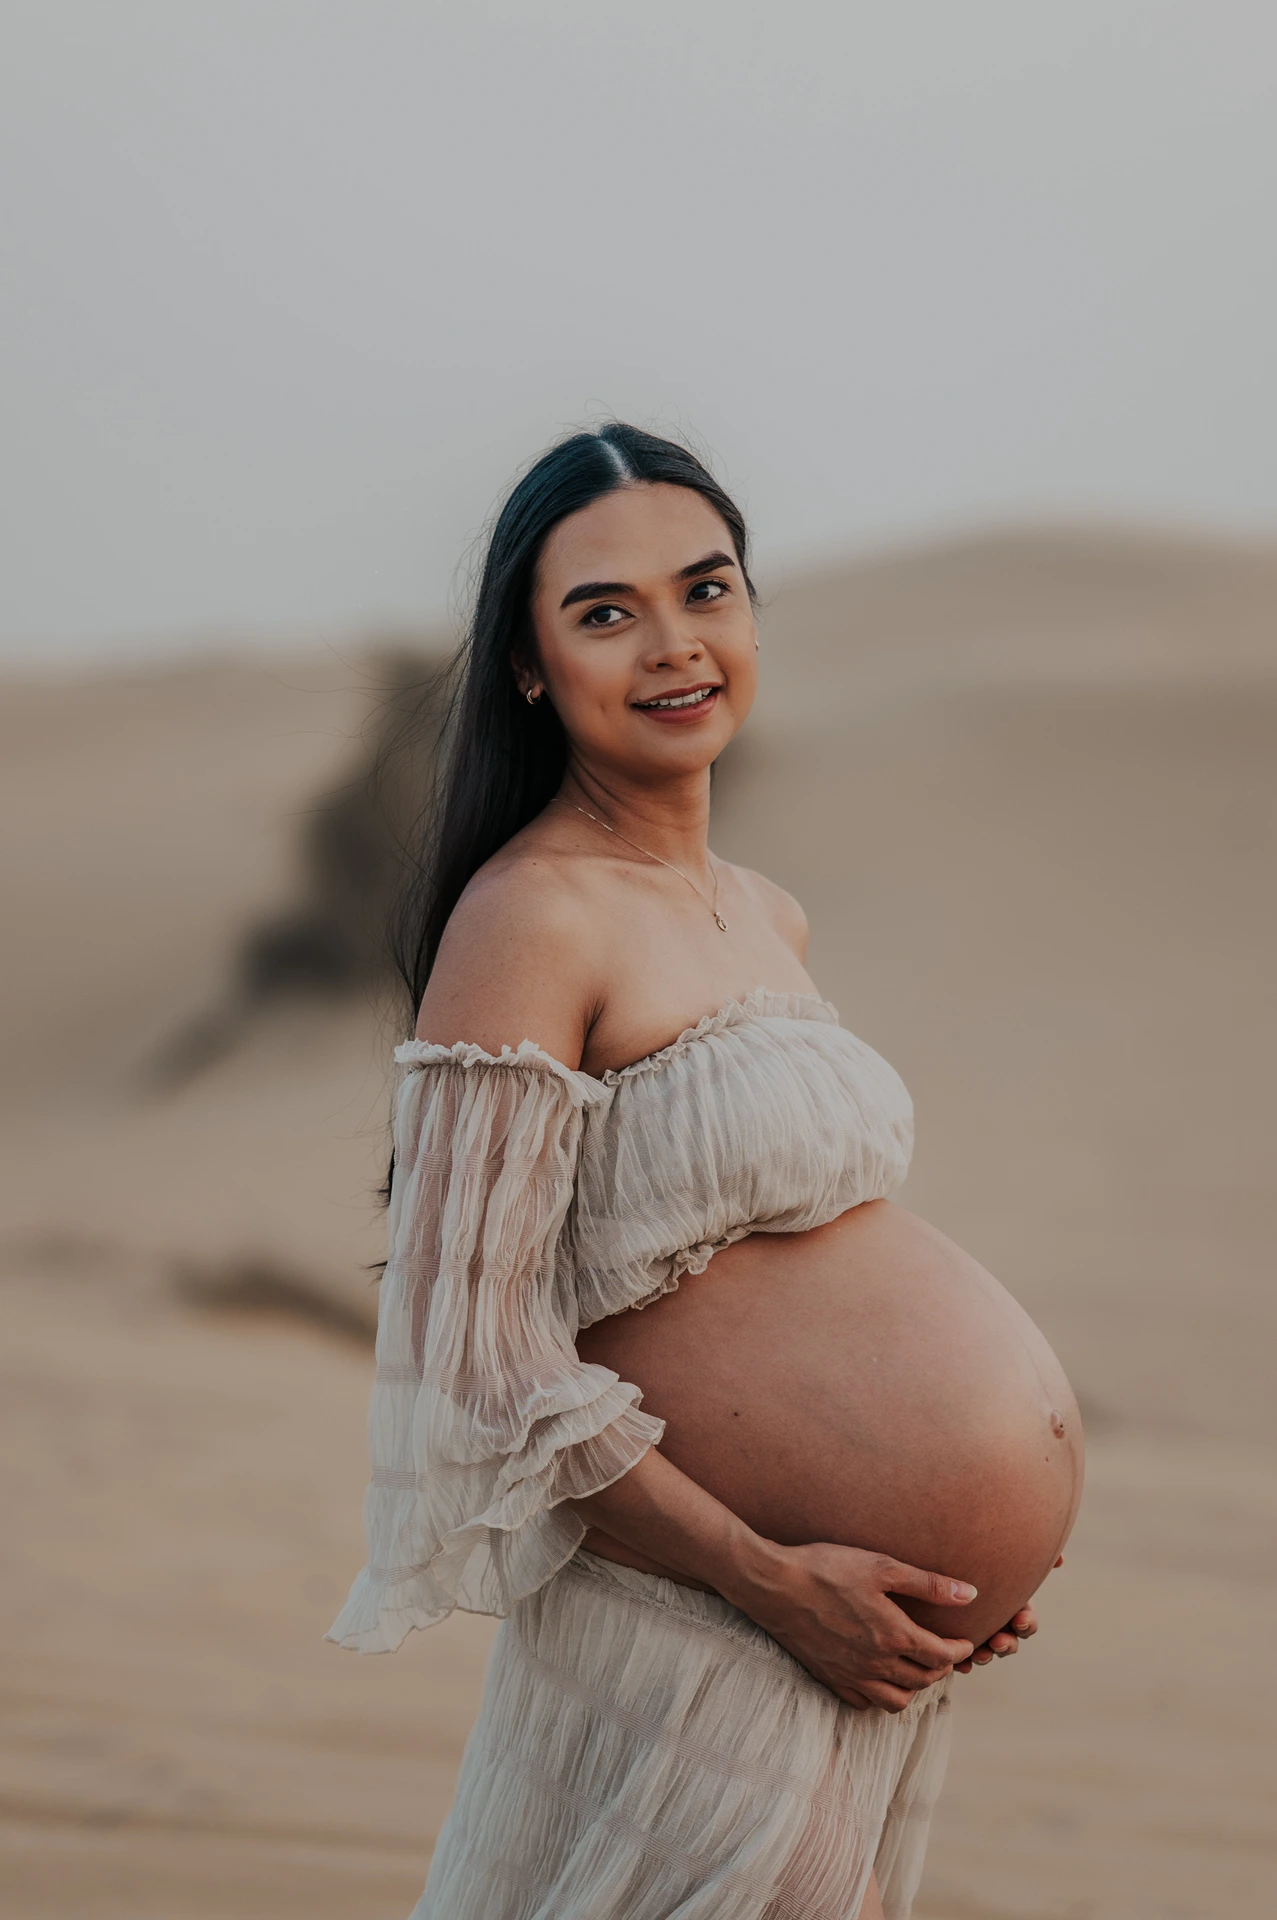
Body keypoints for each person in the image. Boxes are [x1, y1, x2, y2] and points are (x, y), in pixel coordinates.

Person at [328, 423, 1081, 1919]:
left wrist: (960, 1564)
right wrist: (772, 1576)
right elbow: (468, 1361)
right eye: (606, 613)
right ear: (531, 666)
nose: (674, 645)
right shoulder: (533, 918)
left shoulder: (766, 918)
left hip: (838, 1638)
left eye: (707, 589)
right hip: (697, 1627)